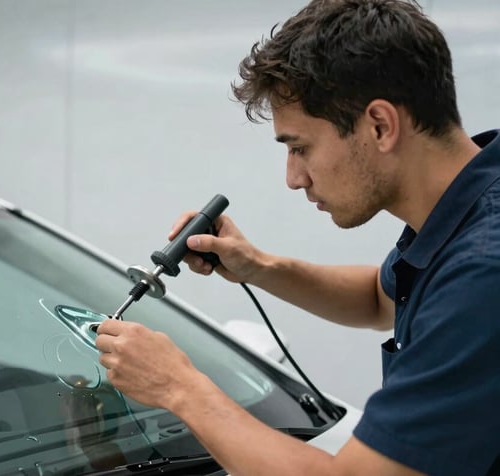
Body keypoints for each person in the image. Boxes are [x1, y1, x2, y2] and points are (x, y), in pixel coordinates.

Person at [94, 0, 500, 474]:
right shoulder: (467, 209)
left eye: (300, 147)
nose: (293, 178)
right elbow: (378, 299)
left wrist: (177, 387)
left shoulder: (484, 271)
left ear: (380, 126)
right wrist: (256, 266)